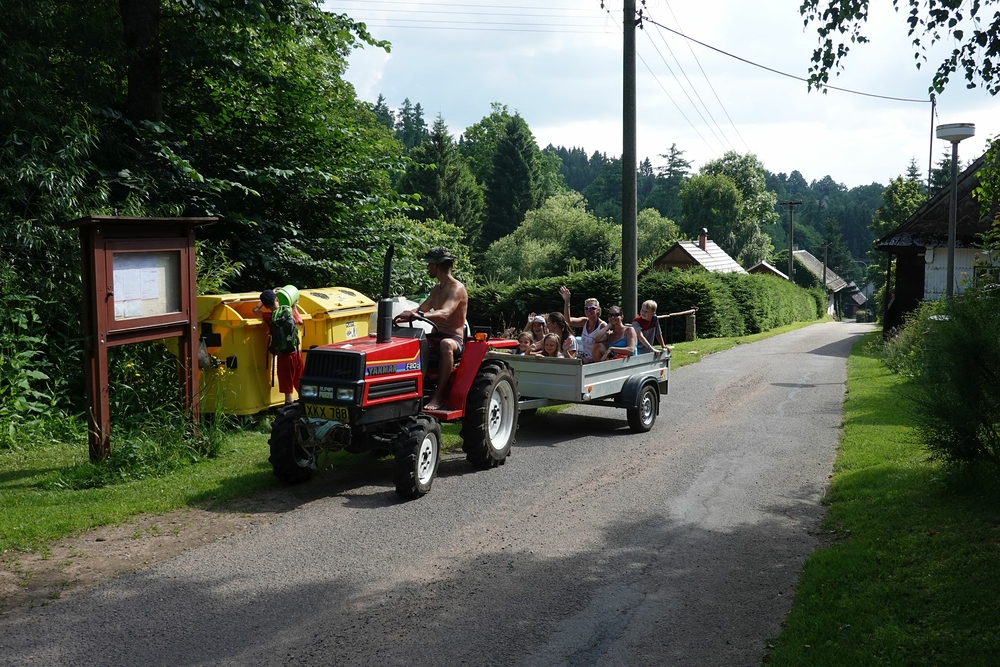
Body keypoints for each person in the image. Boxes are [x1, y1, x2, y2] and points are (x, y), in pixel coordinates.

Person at [398, 246, 468, 410]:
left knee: (445, 344)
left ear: (436, 266)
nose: (427, 267)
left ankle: (438, 396)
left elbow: (444, 313)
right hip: (435, 336)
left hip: (453, 339)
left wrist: (418, 316)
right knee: (409, 343)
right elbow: (422, 308)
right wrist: (407, 314)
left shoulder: (456, 288)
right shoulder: (437, 288)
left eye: (429, 264)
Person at [253, 288, 303, 404]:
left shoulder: (269, 317)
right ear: (277, 299)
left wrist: (262, 303)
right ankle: (305, 407)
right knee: (299, 381)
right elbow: (300, 321)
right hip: (296, 352)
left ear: (265, 305)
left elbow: (255, 309)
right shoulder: (289, 310)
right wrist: (295, 307)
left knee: (287, 386)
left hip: (284, 356)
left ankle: (288, 408)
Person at [559, 285, 605, 364]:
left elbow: (604, 349)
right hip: (584, 359)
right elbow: (568, 320)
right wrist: (567, 302)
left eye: (591, 308)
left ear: (598, 310)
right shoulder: (584, 322)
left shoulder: (602, 326)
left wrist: (590, 361)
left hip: (596, 361)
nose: (588, 310)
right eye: (586, 308)